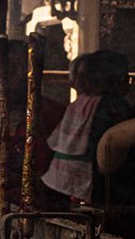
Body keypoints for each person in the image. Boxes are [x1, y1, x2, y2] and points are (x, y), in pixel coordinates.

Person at [44, 50, 133, 205]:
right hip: (100, 187)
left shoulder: (77, 106)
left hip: (67, 187)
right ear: (120, 81)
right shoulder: (114, 107)